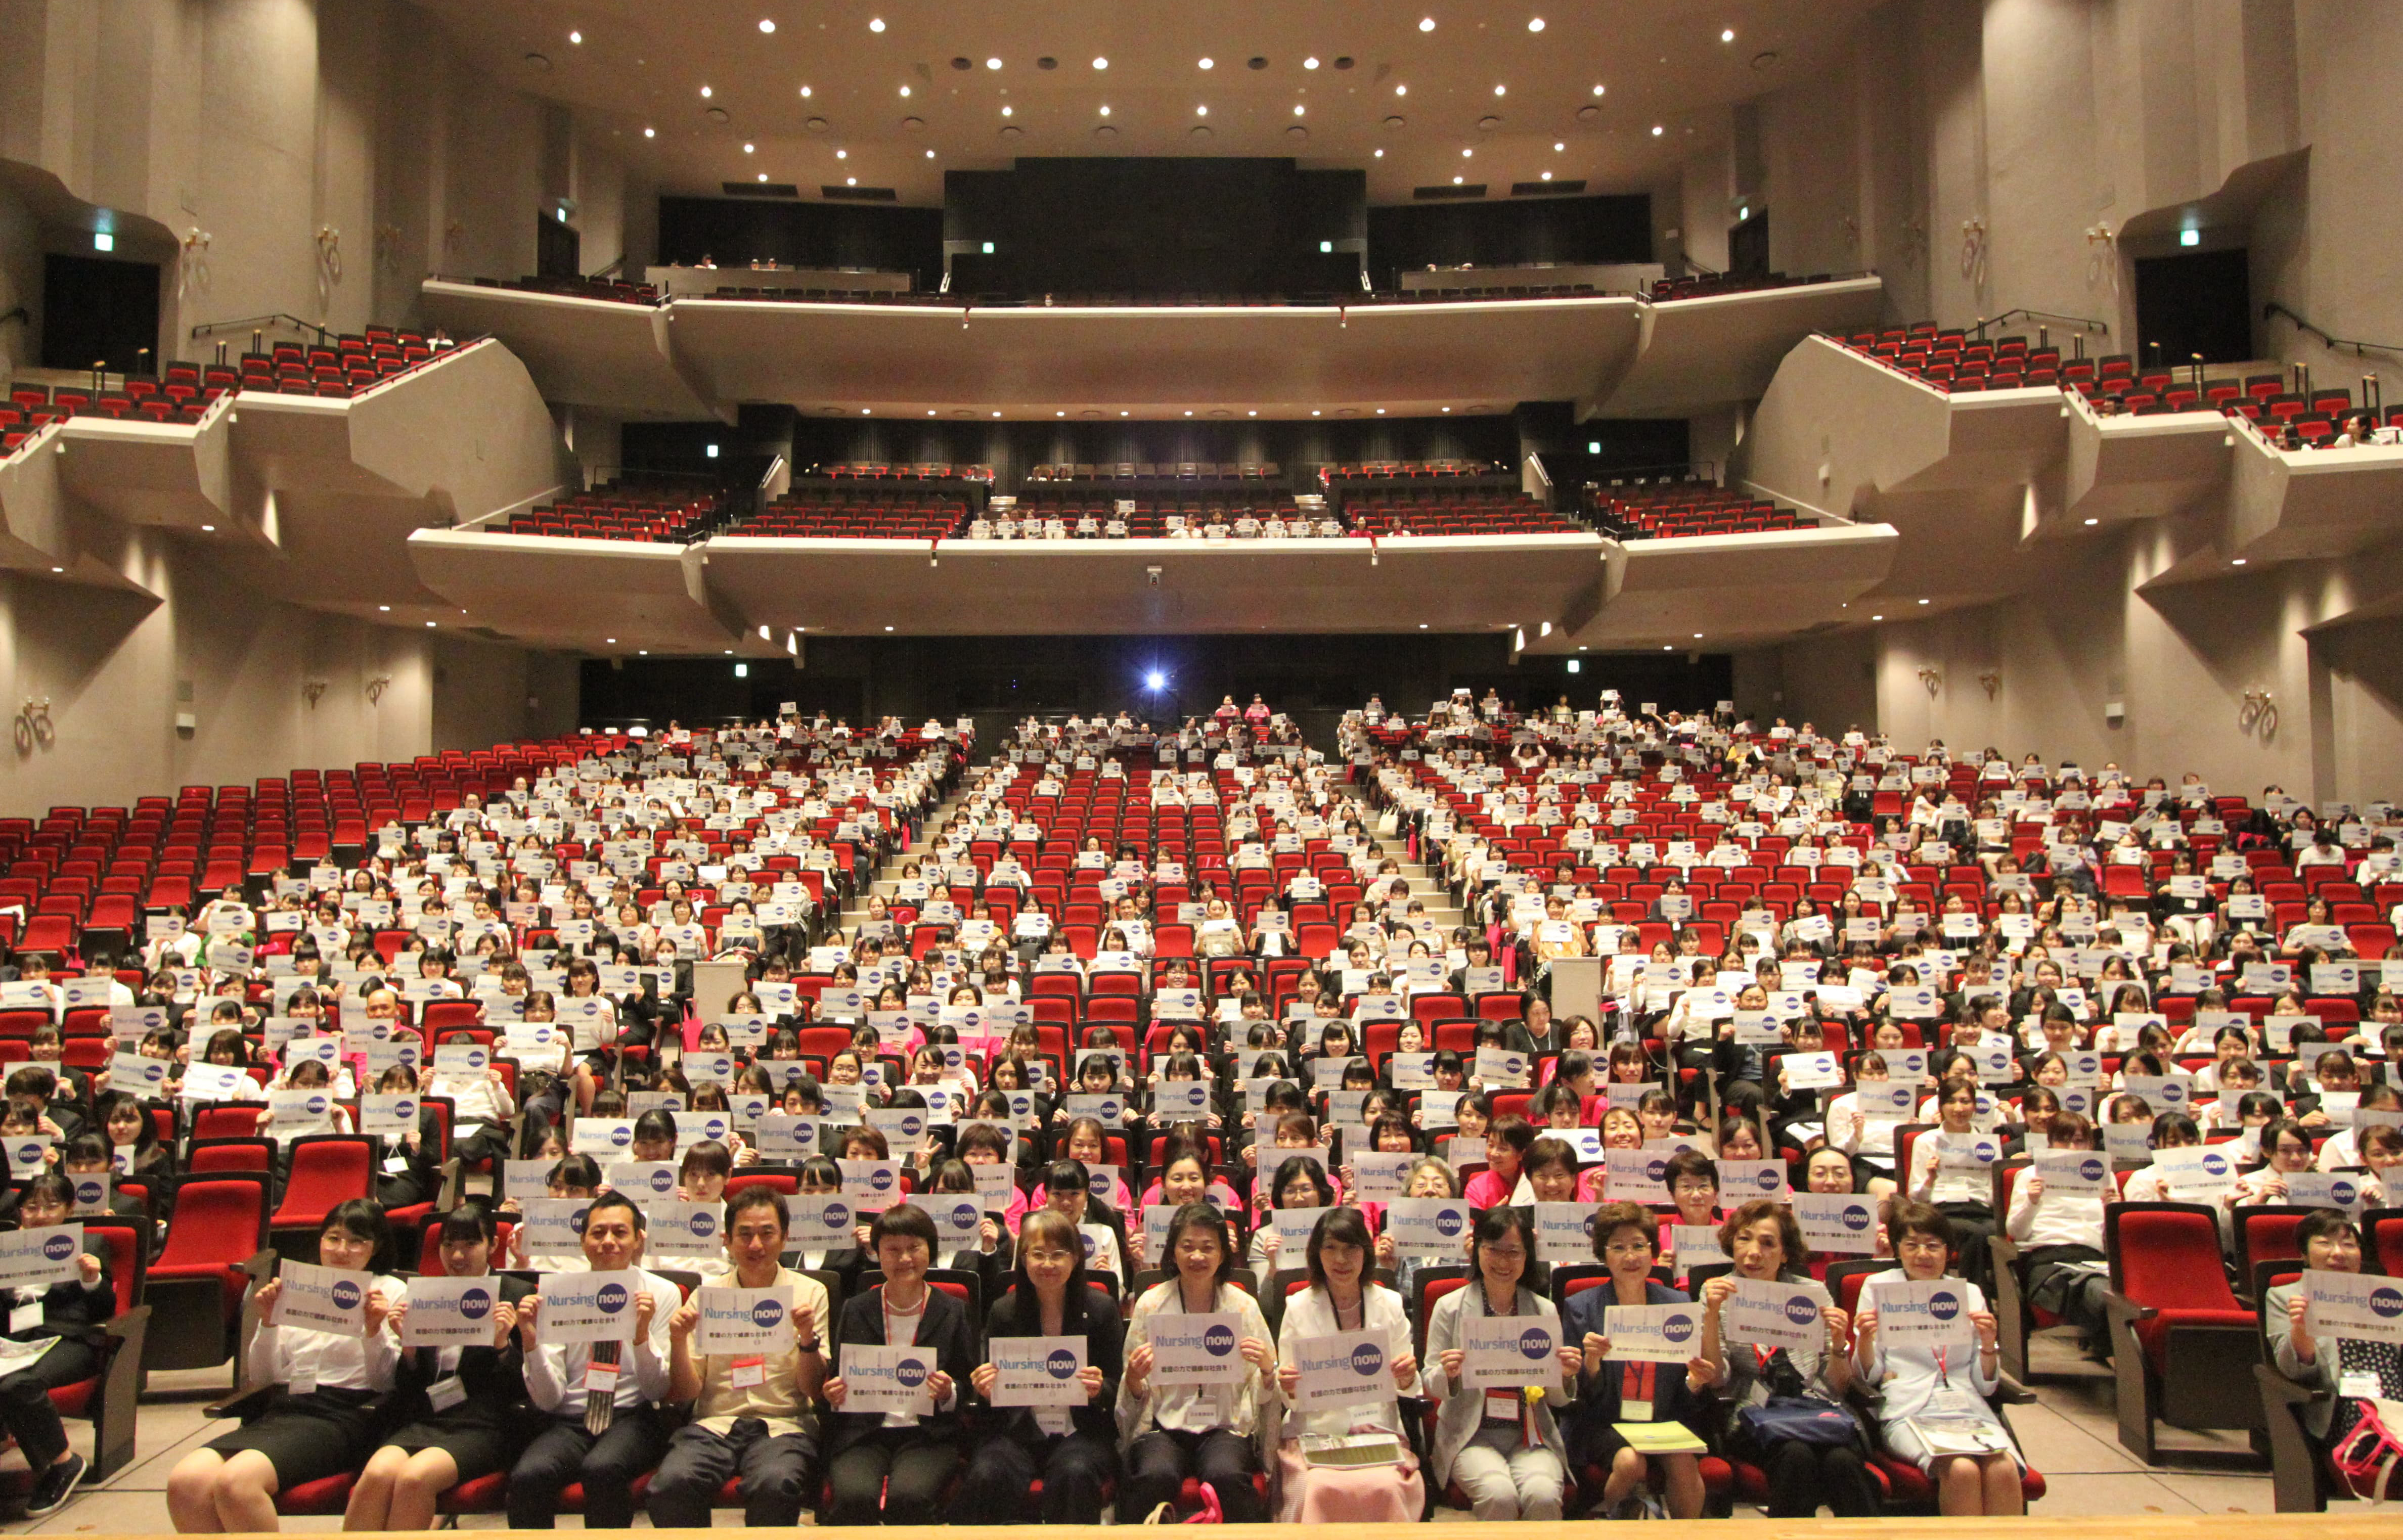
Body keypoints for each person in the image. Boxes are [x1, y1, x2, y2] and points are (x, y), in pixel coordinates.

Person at [169, 1200, 402, 1533]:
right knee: (186, 1481)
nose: (341, 1250)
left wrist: (374, 1331)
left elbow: (387, 1382)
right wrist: (267, 1324)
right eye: (333, 1238)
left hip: (346, 1414)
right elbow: (265, 1378)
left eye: (356, 1241)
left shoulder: (391, 1292)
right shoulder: (298, 1288)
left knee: (238, 1484)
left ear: (376, 1247)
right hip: (284, 1410)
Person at [345, 1203, 533, 1530]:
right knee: (376, 1474)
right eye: (449, 1245)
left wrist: (503, 1346)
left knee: (414, 1478)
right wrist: (410, 1349)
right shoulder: (427, 1295)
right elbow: (408, 1386)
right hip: (428, 1416)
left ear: (493, 1245)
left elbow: (529, 1388)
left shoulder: (516, 1295)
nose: (457, 1257)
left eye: (469, 1245)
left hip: (484, 1423)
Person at [650, 1185, 830, 1527]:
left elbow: (813, 1391)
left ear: (786, 1238)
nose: (756, 1246)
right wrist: (677, 1339)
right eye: (745, 1235)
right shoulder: (707, 1297)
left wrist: (807, 1338)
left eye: (767, 1233)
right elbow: (688, 1392)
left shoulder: (810, 1293)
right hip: (713, 1425)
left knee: (775, 1485)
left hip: (784, 1425)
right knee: (672, 1485)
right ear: (727, 1240)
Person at [506, 1192, 680, 1529]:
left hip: (633, 1416)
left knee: (602, 1469)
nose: (609, 1242)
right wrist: (531, 1341)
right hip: (571, 1419)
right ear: (583, 1241)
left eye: (620, 1232)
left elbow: (658, 1390)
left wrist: (641, 1336)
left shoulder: (662, 1293)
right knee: (528, 1476)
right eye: (598, 1233)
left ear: (639, 1239)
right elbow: (549, 1399)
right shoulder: (560, 1293)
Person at [1694, 1198, 1876, 1517]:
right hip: (1754, 1415)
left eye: (1767, 1243)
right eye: (1744, 1239)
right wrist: (1709, 1316)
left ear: (1786, 1253)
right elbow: (1717, 1378)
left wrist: (1837, 1345)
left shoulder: (1812, 1294)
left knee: (1843, 1461)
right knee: (1797, 1455)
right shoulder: (1717, 1294)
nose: (1754, 1252)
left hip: (1816, 1410)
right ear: (1731, 1243)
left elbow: (1835, 1388)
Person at [1852, 1201, 2024, 1515]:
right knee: (1961, 1470)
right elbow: (1867, 1377)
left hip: (1967, 1406)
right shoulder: (1878, 1288)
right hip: (1908, 1408)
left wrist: (1988, 1345)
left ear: (1948, 1251)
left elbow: (1985, 1387)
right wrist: (1864, 1338)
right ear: (1897, 1250)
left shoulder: (1969, 1294)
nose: (1923, 1254)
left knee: (2004, 1469)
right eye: (1912, 1245)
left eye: (1933, 1246)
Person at [960, 1209, 1123, 1523]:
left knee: (1074, 1473)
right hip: (1016, 1432)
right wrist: (984, 1389)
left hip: (1082, 1432)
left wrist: (1099, 1388)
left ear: (1076, 1258)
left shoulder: (1101, 1309)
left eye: (1058, 1255)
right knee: (988, 1472)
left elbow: (1117, 1387)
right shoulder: (1004, 1311)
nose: (1047, 1264)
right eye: (1037, 1254)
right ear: (1023, 1260)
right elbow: (988, 1394)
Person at [1119, 1201, 1275, 1523]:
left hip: (1224, 1427)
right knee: (1154, 1475)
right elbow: (1132, 1386)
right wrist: (1134, 1378)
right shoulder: (1151, 1304)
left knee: (1227, 1475)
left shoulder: (1244, 1306)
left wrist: (1266, 1369)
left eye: (1208, 1248)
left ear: (1222, 1254)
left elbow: (1265, 1382)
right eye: (1187, 1247)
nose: (1197, 1257)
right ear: (1173, 1252)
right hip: (1163, 1428)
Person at [821, 1203, 976, 1524]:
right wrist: (834, 1395)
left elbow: (968, 1384)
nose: (904, 1258)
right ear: (877, 1252)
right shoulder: (855, 1308)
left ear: (930, 1251)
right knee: (855, 1497)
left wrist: (949, 1393)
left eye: (914, 1248)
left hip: (928, 1435)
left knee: (910, 1498)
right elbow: (838, 1378)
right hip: (865, 1434)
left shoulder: (953, 1310)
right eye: (893, 1249)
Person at [1422, 1205, 1580, 1521]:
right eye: (1494, 1250)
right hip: (1471, 1434)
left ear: (1527, 1257)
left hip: (1530, 1433)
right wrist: (1449, 1375)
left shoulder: (1543, 1311)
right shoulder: (1450, 1307)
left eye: (1514, 1253)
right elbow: (1427, 1380)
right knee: (1499, 1494)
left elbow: (1557, 1400)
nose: (1504, 1262)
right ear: (1477, 1250)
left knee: (1544, 1494)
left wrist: (1563, 1377)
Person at [1271, 1208, 1423, 1521]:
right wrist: (1286, 1384)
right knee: (1319, 1486)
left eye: (1351, 1248)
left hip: (1378, 1430)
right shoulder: (1298, 1307)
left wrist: (1407, 1378)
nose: (1341, 1260)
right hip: (1315, 1432)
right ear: (1317, 1254)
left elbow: (1405, 1385)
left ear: (1365, 1253)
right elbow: (1289, 1396)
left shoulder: (1390, 1304)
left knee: (1385, 1487)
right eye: (1330, 1248)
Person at [1566, 1201, 1707, 1519]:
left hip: (1662, 1418)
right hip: (1604, 1421)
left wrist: (1694, 1382)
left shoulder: (1677, 1304)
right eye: (1618, 1247)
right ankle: (1611, 1524)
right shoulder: (1581, 1307)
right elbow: (1578, 1396)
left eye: (1639, 1246)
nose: (1630, 1257)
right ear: (1604, 1256)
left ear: (1653, 1251)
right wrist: (1591, 1363)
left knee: (1684, 1461)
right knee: (1631, 1462)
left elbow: (1682, 1393)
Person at [2268, 1207, 2403, 1493]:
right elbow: (2293, 1370)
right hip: (2344, 1402)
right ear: (2304, 1254)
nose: (2338, 1253)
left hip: (2397, 1397)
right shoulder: (2285, 1296)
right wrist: (2301, 1327)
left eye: (2349, 1244)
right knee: (2372, 1426)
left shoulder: (2386, 1296)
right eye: (2325, 1243)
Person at [0, 1174, 113, 1515]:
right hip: (13, 1340)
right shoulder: (6, 1248)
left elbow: (104, 1309)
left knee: (18, 1384)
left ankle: (63, 1462)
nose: (40, 1215)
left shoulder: (90, 1245)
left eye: (51, 1207)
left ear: (68, 1209)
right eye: (32, 1207)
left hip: (68, 1338)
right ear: (19, 1211)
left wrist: (91, 1279)